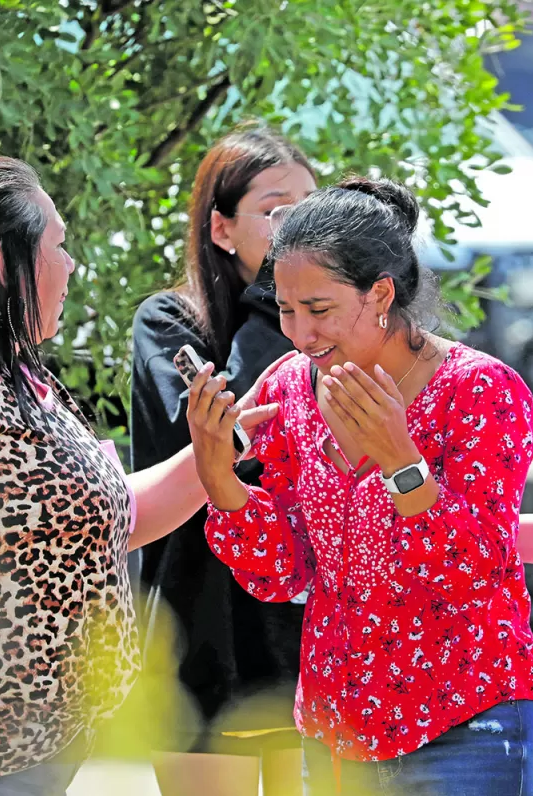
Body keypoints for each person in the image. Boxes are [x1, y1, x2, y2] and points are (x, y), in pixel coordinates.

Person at [0, 156, 283, 795]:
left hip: (43, 745)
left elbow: (113, 517)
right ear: (5, 260)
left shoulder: (22, 374)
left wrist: (223, 441)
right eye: (59, 244)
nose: (73, 265)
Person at [188, 177, 533, 796]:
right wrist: (221, 479)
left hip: (467, 722)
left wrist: (400, 462)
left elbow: (475, 570)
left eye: (319, 310)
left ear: (380, 293)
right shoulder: (288, 387)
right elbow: (283, 574)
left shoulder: (481, 392)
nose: (300, 334)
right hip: (335, 737)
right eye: (286, 309)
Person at [130, 124, 317, 796]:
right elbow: (232, 435)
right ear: (220, 229)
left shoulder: (329, 333)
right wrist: (280, 296)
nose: (298, 227)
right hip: (205, 634)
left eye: (309, 207)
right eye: (276, 211)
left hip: (306, 641)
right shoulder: (167, 324)